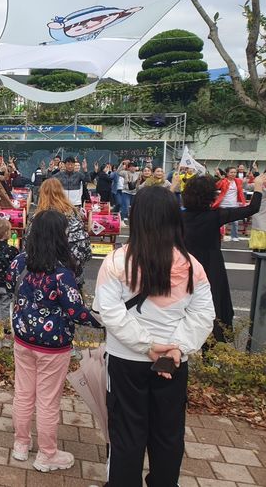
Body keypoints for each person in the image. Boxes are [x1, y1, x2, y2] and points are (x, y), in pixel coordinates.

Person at [92, 186, 215, 486]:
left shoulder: (117, 262)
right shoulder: (191, 266)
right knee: (168, 436)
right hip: (172, 364)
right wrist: (178, 347)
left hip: (125, 362)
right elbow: (203, 315)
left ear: (136, 219)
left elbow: (107, 312)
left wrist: (146, 345)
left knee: (126, 435)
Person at [7, 210, 100, 471]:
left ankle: (21, 445)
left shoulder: (20, 262)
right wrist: (100, 321)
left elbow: (8, 284)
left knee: (23, 393)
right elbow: (77, 311)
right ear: (60, 236)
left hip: (23, 339)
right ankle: (47, 454)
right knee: (48, 400)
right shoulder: (62, 273)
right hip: (53, 345)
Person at [181, 174, 264, 341]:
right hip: (212, 264)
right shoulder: (216, 215)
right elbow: (252, 208)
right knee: (214, 303)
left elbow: (161, 208)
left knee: (183, 300)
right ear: (210, 195)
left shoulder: (179, 216)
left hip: (184, 263)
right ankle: (211, 346)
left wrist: (173, 187)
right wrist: (257, 187)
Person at [28, 178, 92, 288]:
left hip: (42, 276)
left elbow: (28, 245)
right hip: (71, 276)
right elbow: (84, 249)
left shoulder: (37, 218)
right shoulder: (74, 214)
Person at [213, 166, 246, 241]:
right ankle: (220, 236)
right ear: (227, 173)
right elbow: (216, 186)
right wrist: (220, 177)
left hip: (234, 204)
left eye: (235, 172)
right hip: (223, 204)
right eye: (231, 172)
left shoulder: (238, 181)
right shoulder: (224, 180)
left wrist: (242, 202)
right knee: (221, 222)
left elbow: (241, 191)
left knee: (235, 222)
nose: (233, 174)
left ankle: (234, 236)